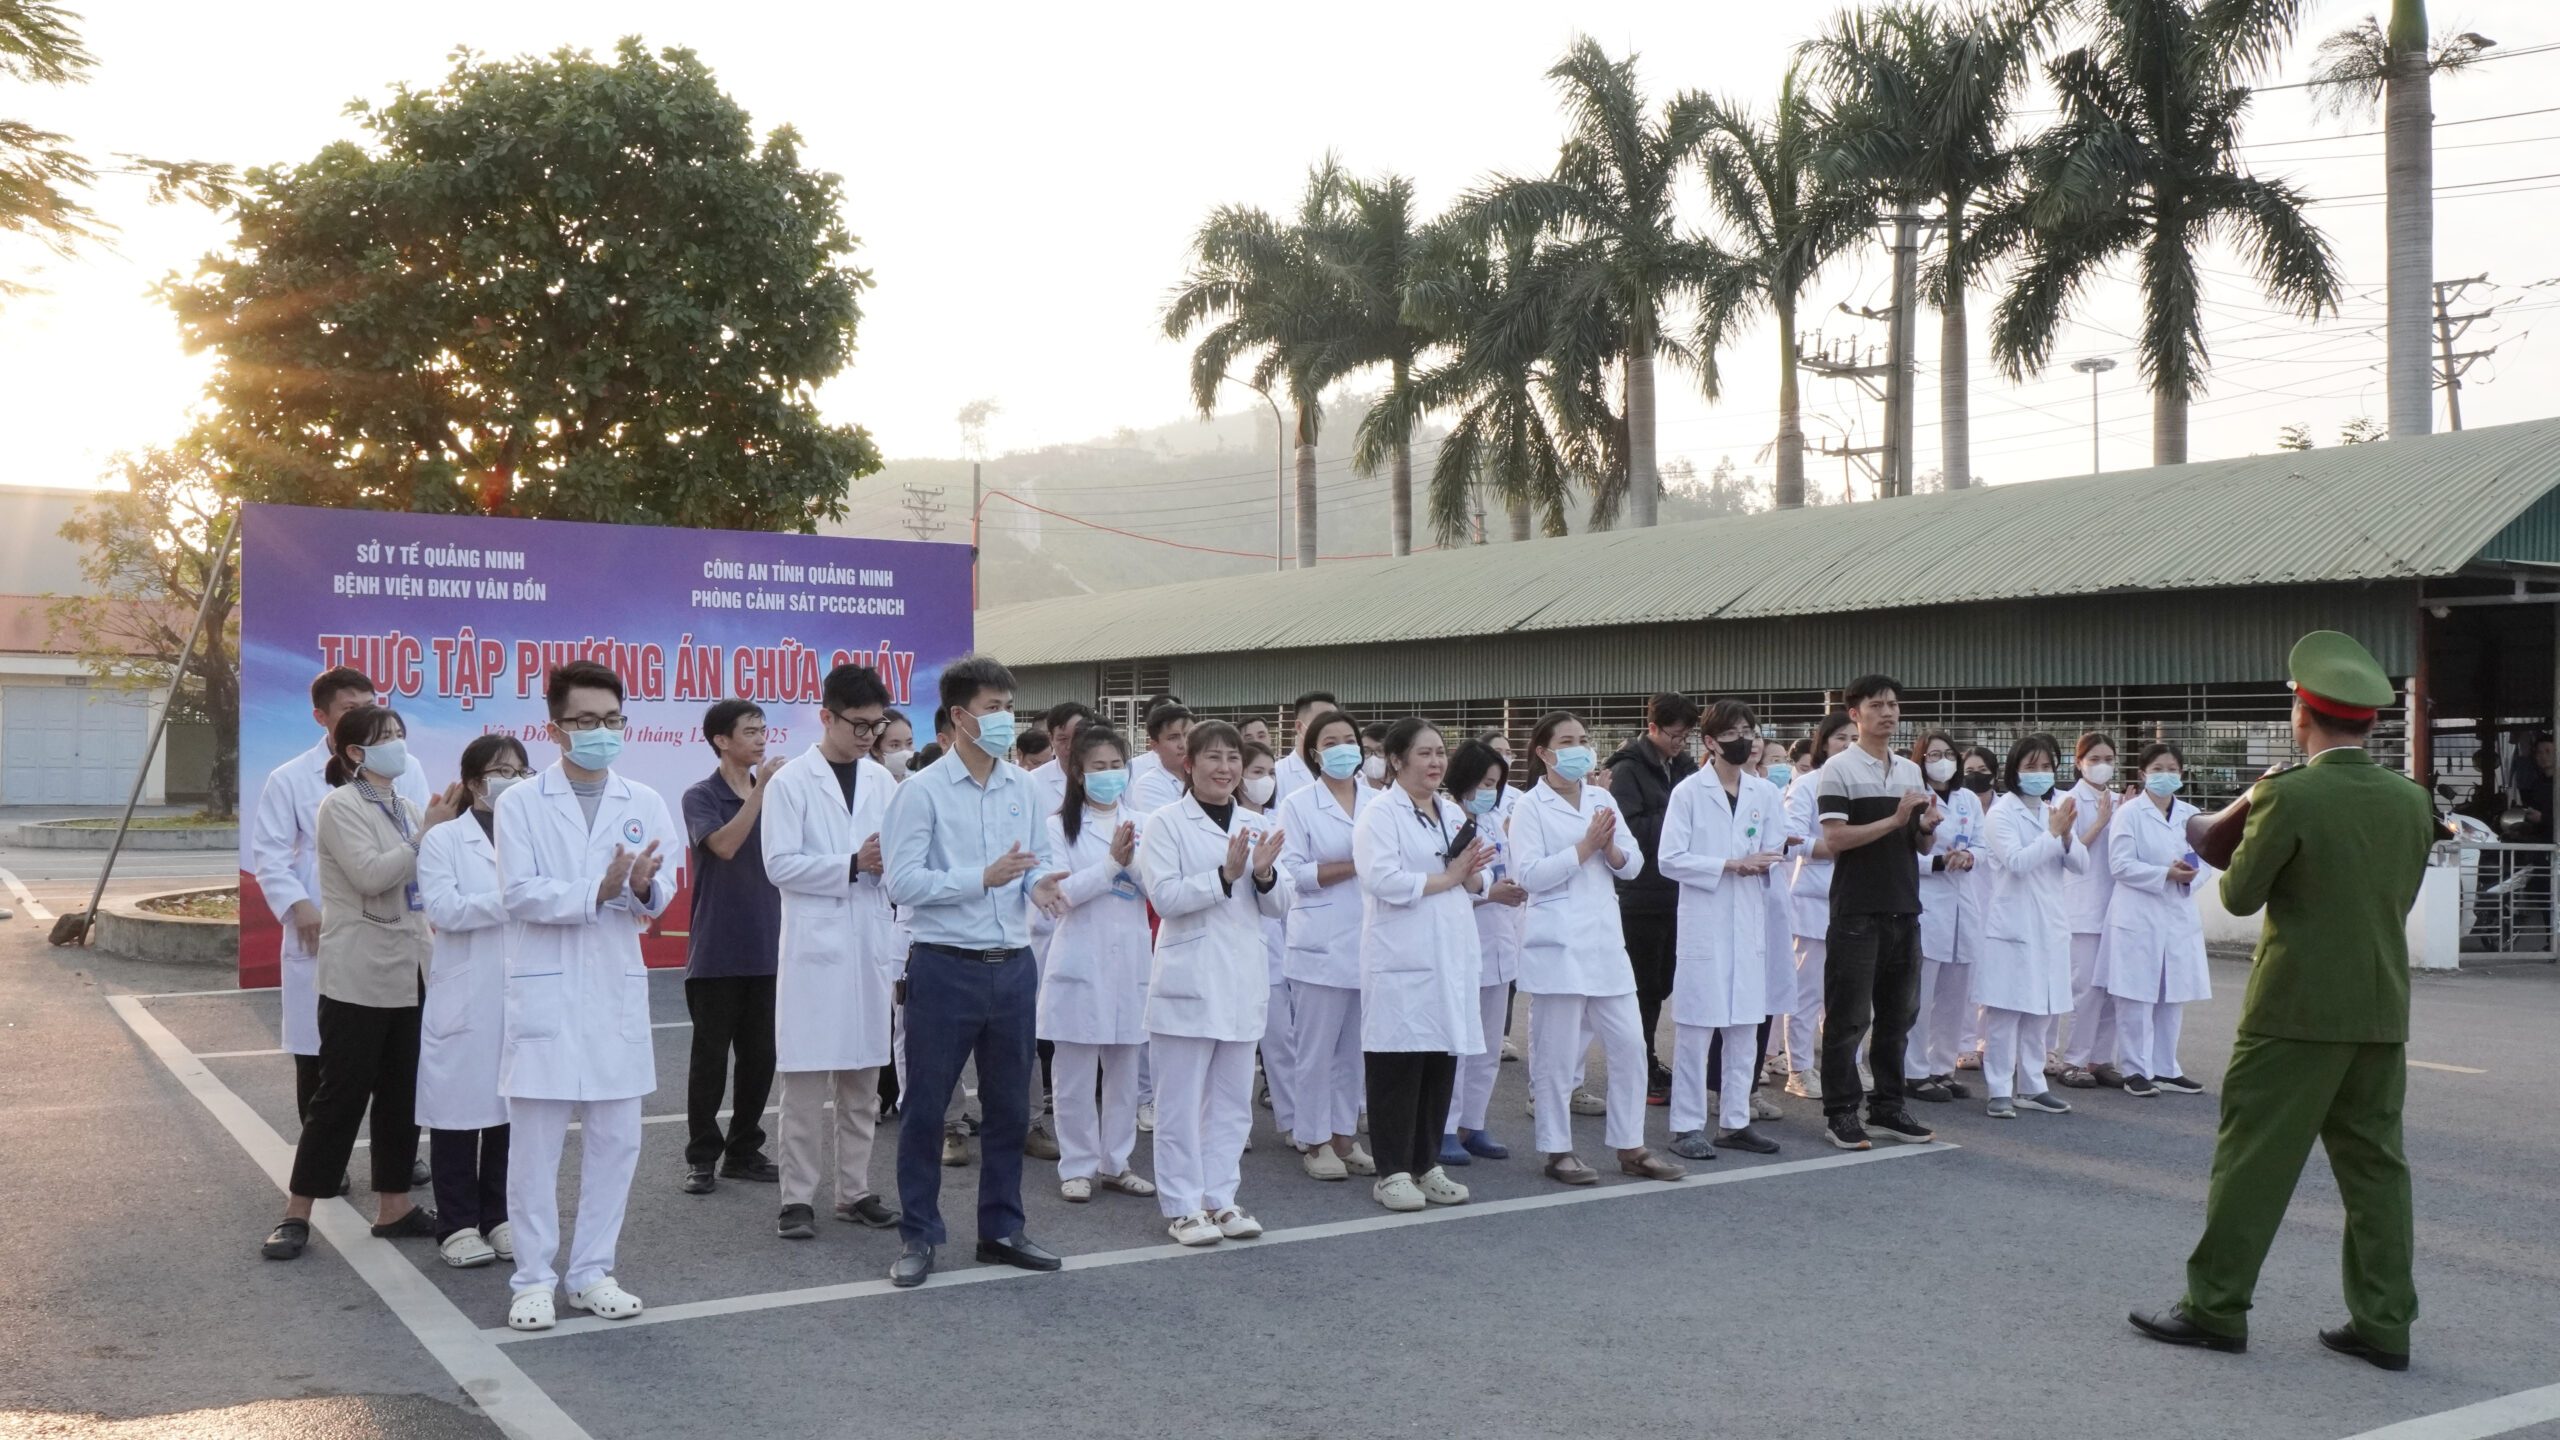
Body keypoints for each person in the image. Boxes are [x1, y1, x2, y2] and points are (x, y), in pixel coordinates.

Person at [2133, 631, 2437, 1371]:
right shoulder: (2411, 800)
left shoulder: (2289, 794)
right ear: (2371, 721)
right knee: (2376, 1171)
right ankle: (2384, 1323)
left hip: (2294, 1010)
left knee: (2254, 1162)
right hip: (2379, 1009)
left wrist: (2254, 812)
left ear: (2302, 714)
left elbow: (2239, 895)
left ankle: (2216, 1306)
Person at [493, 660, 678, 1332]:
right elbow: (518, 894)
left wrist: (643, 888)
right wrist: (595, 891)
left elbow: (660, 893)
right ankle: (532, 1280)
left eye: (612, 719)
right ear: (555, 728)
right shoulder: (520, 803)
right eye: (587, 721)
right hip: (544, 990)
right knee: (534, 1153)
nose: (602, 732)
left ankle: (593, 1272)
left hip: (613, 991)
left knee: (615, 1145)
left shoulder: (644, 800)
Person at [878, 654, 1066, 1289]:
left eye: (1009, 708)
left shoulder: (1024, 788)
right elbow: (902, 883)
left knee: (1010, 1108)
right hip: (943, 966)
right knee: (926, 1108)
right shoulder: (921, 791)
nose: (1005, 719)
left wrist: (1039, 886)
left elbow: (1032, 864)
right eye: (992, 709)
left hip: (1012, 967)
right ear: (959, 717)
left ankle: (1001, 1230)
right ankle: (919, 1234)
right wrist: (979, 878)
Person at [263, 706, 463, 1260]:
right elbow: (371, 875)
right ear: (355, 752)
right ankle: (297, 1211)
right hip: (358, 971)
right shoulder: (340, 805)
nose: (398, 744)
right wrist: (426, 836)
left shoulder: (406, 807)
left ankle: (393, 1206)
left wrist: (443, 830)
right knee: (340, 1095)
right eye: (385, 737)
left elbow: (428, 877)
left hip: (412, 968)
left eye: (400, 734)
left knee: (402, 1092)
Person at [248, 667, 431, 1155]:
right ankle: (328, 1160)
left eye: (372, 705)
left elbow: (422, 840)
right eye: (352, 709)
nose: (367, 716)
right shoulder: (290, 777)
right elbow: (269, 853)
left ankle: (399, 1158)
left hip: (395, 920)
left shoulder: (407, 768)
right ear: (322, 717)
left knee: (399, 1057)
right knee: (321, 1055)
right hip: (323, 921)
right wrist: (298, 906)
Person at [1504, 711, 1687, 1187]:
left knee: (1629, 1047)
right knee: (1557, 1056)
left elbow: (1633, 864)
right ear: (1543, 752)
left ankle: (1630, 1146)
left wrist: (1610, 851)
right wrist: (1586, 847)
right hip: (1557, 945)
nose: (1580, 749)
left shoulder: (1601, 798)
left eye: (1583, 740)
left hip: (1605, 942)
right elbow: (1529, 876)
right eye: (1567, 741)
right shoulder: (1530, 807)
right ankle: (1557, 1150)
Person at [759, 664, 903, 1241]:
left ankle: (854, 1190)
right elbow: (779, 865)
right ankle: (796, 1198)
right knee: (803, 1084)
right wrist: (851, 864)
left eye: (877, 726)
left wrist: (889, 867)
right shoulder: (791, 782)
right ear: (826, 716)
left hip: (869, 941)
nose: (869, 736)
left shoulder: (883, 783)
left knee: (862, 1082)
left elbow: (896, 858)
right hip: (814, 951)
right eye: (859, 724)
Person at [1137, 720, 1291, 1244]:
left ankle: (1220, 1199)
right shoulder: (1164, 823)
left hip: (1242, 979)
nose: (1225, 768)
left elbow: (1281, 904)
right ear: (1189, 764)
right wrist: (1224, 876)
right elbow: (1165, 898)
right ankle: (1183, 1206)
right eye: (1213, 757)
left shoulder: (1256, 822)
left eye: (1233, 759)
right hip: (1189, 979)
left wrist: (1264, 875)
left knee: (1231, 1101)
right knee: (1179, 1104)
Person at [1352, 719, 1502, 1210]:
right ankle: (1392, 1171)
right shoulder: (1379, 814)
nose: (1436, 762)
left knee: (1440, 1063)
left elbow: (1478, 879)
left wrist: (1472, 876)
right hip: (1403, 958)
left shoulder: (1452, 811)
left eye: (1440, 752)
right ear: (1396, 760)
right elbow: (1383, 880)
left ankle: (1426, 1163)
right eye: (1424, 753)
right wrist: (1451, 876)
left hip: (1449, 954)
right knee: (1398, 1067)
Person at [413, 735, 532, 1269]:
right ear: (474, 782)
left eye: (521, 771)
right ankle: (457, 1223)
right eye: (500, 771)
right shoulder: (444, 839)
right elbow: (445, 909)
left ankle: (499, 1216)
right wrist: (516, 900)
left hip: (521, 989)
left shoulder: (533, 835)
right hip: (466, 992)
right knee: (458, 1113)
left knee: (512, 1111)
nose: (512, 781)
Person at [1812, 675, 1940, 1151]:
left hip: (1904, 906)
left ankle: (1888, 1106)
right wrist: (1895, 818)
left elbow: (1919, 844)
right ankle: (1841, 1112)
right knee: (1848, 1018)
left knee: (1898, 1017)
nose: (1888, 712)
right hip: (1857, 910)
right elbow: (1835, 839)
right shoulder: (1838, 769)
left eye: (1893, 705)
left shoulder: (1909, 771)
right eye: (1876, 705)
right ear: (1855, 714)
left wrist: (1924, 827)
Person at [1657, 700, 1788, 1159]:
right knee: (1696, 1030)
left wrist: (1761, 862)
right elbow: (1670, 859)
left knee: (1744, 1028)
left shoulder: (1764, 793)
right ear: (1710, 742)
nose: (1744, 740)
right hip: (1705, 923)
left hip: (1749, 922)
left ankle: (1735, 1122)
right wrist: (1730, 864)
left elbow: (1775, 847)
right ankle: (1686, 1126)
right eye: (1732, 733)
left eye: (1749, 731)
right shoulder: (1689, 792)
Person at [1038, 726, 1159, 1204]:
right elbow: (1059, 896)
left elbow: (1160, 889)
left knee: (1125, 1070)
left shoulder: (1146, 823)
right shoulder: (1057, 828)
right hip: (1079, 959)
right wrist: (1111, 866)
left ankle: (1116, 1162)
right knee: (1074, 1075)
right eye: (1098, 767)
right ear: (1078, 773)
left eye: (1116, 766)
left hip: (1131, 958)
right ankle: (1078, 1165)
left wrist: (1132, 868)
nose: (1110, 775)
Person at [676, 699, 784, 1195]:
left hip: (769, 945)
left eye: (763, 730)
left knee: (760, 1058)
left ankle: (743, 1150)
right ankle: (702, 1156)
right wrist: (759, 794)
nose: (761, 739)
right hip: (717, 950)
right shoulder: (701, 796)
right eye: (750, 732)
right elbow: (723, 846)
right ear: (721, 740)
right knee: (710, 1060)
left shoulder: (778, 794)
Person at [1276, 710, 1374, 1180]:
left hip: (1369, 940)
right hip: (1319, 943)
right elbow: (1293, 871)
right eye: (1330, 742)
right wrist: (1356, 864)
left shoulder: (1379, 801)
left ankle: (1344, 1136)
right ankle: (1315, 1141)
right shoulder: (1298, 804)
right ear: (1315, 754)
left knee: (1354, 1050)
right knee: (1315, 1051)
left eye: (1349, 739)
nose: (1342, 749)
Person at [1974, 733, 2081, 1120]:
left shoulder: (2053, 810)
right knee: (2006, 1011)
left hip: (2049, 924)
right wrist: (2053, 833)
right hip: (2013, 925)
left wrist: (2065, 835)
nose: (2040, 773)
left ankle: (2033, 1087)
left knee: (2041, 1011)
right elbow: (2018, 863)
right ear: (2014, 771)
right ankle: (1999, 1089)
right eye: (2031, 766)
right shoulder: (2001, 814)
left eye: (2046, 766)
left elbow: (2081, 864)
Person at [1606, 693, 1701, 1102]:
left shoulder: (1684, 766)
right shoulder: (1627, 768)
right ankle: (1638, 1065)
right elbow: (1629, 830)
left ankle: (1645, 1059)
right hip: (1640, 895)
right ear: (1653, 728)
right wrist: (1680, 816)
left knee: (1661, 984)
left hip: (1677, 894)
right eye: (1674, 735)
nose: (1680, 743)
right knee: (1641, 988)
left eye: (1686, 736)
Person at [2102, 743, 2211, 1099]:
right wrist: (2165, 873)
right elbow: (2119, 864)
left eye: (2172, 769)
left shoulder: (2192, 815)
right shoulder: (2129, 813)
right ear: (2143, 774)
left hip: (2177, 914)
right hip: (2137, 915)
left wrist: (2189, 876)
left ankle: (2166, 1068)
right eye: (2158, 769)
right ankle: (2135, 1069)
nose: (2166, 775)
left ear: (2182, 774)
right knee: (2135, 997)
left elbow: (2206, 861)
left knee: (2171, 995)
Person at [1440, 740, 1522, 1165]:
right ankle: (1444, 1126)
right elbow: (1446, 885)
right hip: (1461, 941)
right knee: (1458, 1044)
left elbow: (1509, 869)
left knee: (1488, 1046)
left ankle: (1474, 1122)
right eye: (1484, 783)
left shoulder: (1493, 822)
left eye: (1495, 784)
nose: (1489, 791)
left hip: (1499, 942)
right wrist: (1491, 895)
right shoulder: (1445, 818)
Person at [1905, 730, 1985, 1104]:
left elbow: (1982, 844)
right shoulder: (1913, 798)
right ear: (1921, 760)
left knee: (1955, 996)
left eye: (1949, 754)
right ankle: (1914, 1071)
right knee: (1920, 996)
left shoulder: (1968, 799)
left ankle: (1942, 1068)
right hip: (1927, 902)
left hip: (1963, 903)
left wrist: (1969, 857)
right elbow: (1904, 851)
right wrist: (1938, 862)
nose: (1943, 761)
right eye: (1934, 754)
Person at [1779, 715, 1854, 1096]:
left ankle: (1847, 1064)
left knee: (1850, 993)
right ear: (1823, 743)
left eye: (1855, 738)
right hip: (1813, 899)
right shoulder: (1807, 785)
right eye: (1841, 738)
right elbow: (1789, 836)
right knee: (1808, 992)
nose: (1848, 745)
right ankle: (1799, 1069)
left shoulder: (1864, 784)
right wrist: (1832, 849)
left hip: (1856, 897)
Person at [1238, 740, 1301, 1143]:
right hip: (1233, 947)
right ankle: (1232, 1128)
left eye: (1270, 773)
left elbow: (1287, 889)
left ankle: (1295, 1122)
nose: (1265, 780)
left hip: (1275, 948)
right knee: (1236, 1047)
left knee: (1281, 1040)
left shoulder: (1280, 823)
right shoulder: (1226, 822)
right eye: (1256, 772)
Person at [2056, 731, 2126, 1089]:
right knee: (2086, 991)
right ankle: (2073, 1060)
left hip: (2118, 907)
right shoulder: (2068, 801)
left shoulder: (2122, 800)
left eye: (2108, 760)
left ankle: (2101, 1058)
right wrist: (2099, 823)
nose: (2102, 766)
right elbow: (2069, 853)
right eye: (2095, 759)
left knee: (2113, 990)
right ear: (2079, 762)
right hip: (2082, 907)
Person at [1951, 745, 2002, 1070]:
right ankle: (1965, 1042)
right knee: (1967, 976)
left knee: (1996, 974)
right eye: (1969, 770)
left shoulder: (2005, 808)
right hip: (1966, 895)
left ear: (1994, 774)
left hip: (2000, 898)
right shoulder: (1958, 804)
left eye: (1982, 770)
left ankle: (1989, 1042)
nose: (1975, 776)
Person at [1029, 702, 1095, 818]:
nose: (1070, 746)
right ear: (1051, 739)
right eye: (1063, 739)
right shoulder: (1034, 782)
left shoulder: (1107, 779)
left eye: (1077, 737)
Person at [1130, 703, 1195, 816]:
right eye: (1173, 738)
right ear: (1155, 746)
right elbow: (1173, 825)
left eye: (1189, 735)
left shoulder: (1208, 776)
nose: (1184, 744)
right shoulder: (1149, 786)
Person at [1273, 691, 1340, 799]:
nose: (1329, 728)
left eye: (1334, 722)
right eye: (1321, 721)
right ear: (1299, 727)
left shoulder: (1348, 773)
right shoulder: (1277, 774)